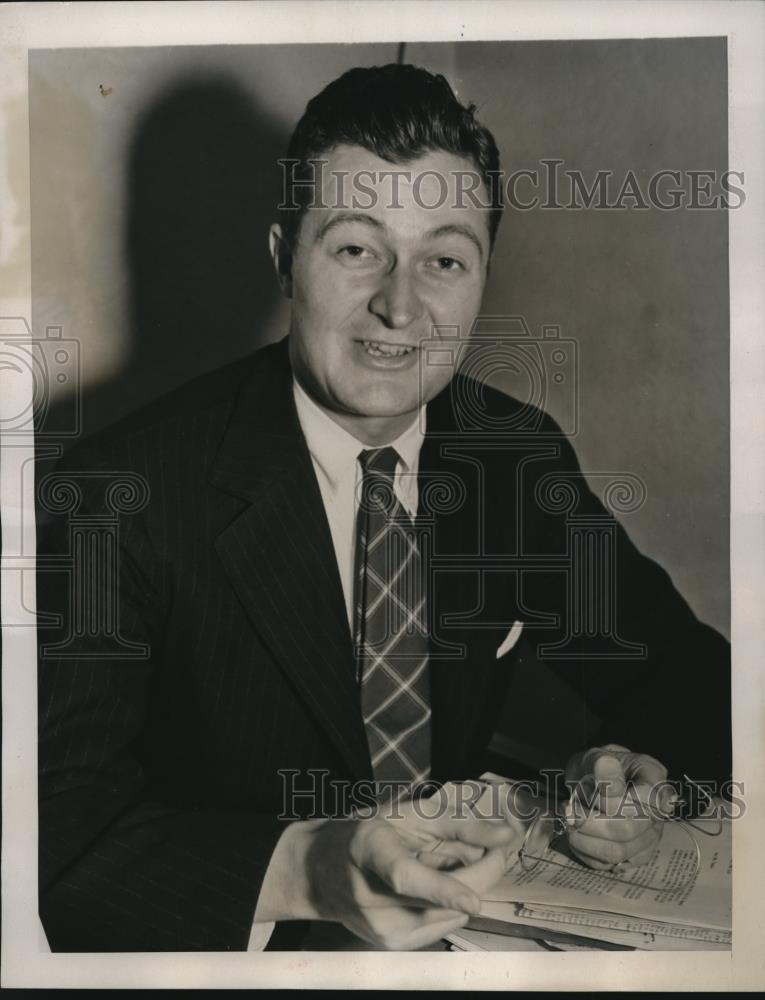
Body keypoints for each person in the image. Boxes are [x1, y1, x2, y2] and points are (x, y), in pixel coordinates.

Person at [36, 63, 731, 953]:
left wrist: (638, 775)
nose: (400, 307)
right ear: (285, 255)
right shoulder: (115, 495)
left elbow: (691, 681)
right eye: (357, 247)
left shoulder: (509, 454)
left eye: (443, 259)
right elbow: (51, 840)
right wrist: (308, 870)